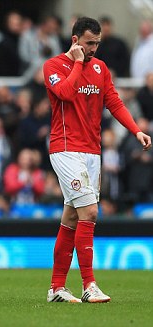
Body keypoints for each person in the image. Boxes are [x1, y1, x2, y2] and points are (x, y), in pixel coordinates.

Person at [43, 17, 152, 303]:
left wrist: (136, 130)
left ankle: (56, 289)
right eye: (90, 43)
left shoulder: (100, 69)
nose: (94, 49)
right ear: (75, 39)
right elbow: (64, 93)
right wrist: (78, 63)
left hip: (92, 151)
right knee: (90, 213)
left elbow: (114, 102)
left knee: (71, 217)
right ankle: (89, 284)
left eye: (97, 44)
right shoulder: (54, 66)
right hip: (65, 148)